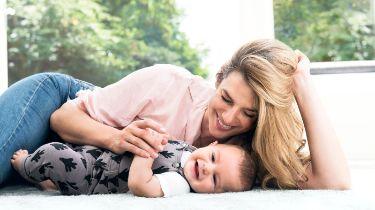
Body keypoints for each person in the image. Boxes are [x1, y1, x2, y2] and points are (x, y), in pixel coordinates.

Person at [0, 39, 350, 190]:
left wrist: (303, 86)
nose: (228, 118)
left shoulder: (240, 160)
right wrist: (117, 138)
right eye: (225, 98)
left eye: (247, 113)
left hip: (75, 164)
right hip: (59, 103)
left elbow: (334, 181)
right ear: (217, 80)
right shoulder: (167, 82)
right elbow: (62, 118)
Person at [10, 139, 256, 196]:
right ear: (212, 144)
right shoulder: (188, 148)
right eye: (213, 157)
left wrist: (148, 149)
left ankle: (27, 167)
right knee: (70, 149)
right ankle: (49, 181)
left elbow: (140, 184)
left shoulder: (179, 184)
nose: (206, 169)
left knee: (55, 153)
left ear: (214, 195)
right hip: (99, 155)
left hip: (92, 179)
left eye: (214, 180)